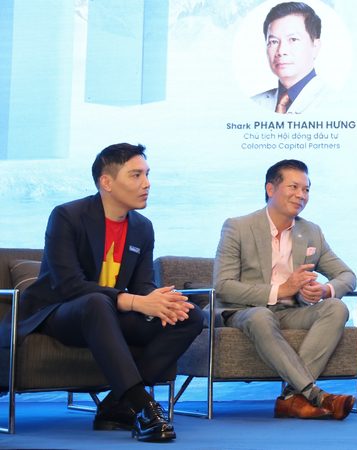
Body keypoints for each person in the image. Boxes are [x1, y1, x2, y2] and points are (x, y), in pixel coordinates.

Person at [0, 144, 204, 442]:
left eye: (147, 175)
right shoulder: (68, 216)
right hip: (61, 314)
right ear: (106, 182)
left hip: (110, 315)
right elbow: (69, 285)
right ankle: (144, 406)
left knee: (188, 315)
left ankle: (116, 405)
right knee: (95, 302)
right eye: (136, 175)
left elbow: (142, 284)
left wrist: (157, 300)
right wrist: (135, 301)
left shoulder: (142, 228)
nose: (146, 184)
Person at [213, 159, 357, 420]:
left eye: (307, 190)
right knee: (261, 315)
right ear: (271, 189)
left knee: (336, 307)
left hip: (292, 312)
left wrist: (324, 291)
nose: (301, 195)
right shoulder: (238, 227)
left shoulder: (311, 231)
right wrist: (281, 289)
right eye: (294, 187)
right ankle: (316, 395)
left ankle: (292, 397)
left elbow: (347, 275)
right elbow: (222, 286)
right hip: (246, 311)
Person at [251, 2, 335, 113]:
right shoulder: (253, 103)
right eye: (274, 41)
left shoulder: (334, 101)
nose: (281, 51)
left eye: (293, 39)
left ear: (315, 47)